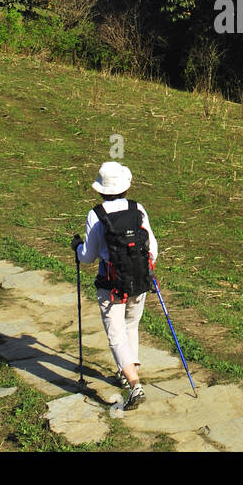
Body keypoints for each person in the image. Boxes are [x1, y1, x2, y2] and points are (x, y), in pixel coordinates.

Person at [71, 161, 158, 410]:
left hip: (111, 284)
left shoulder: (96, 214)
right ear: (125, 186)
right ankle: (127, 372)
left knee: (116, 335)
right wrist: (145, 266)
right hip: (140, 280)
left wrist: (77, 247)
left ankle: (134, 384)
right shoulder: (137, 208)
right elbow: (152, 246)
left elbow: (87, 256)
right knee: (131, 325)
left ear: (100, 189)